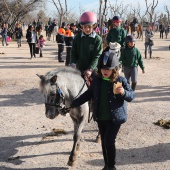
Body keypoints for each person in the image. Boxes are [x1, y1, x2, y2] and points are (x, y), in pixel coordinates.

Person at [70, 53, 135, 170]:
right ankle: (106, 165)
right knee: (104, 142)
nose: (105, 71)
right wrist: (73, 103)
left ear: (114, 69)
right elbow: (88, 94)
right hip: (101, 117)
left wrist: (124, 93)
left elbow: (131, 96)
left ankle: (111, 166)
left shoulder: (121, 80)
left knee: (109, 141)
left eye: (108, 69)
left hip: (115, 118)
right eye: (103, 68)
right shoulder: (96, 80)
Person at [71, 11, 103, 80]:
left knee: (97, 87)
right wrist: (73, 63)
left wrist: (90, 69)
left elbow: (97, 56)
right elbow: (73, 53)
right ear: (81, 26)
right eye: (84, 27)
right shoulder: (77, 38)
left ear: (94, 26)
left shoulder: (97, 39)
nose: (87, 29)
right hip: (79, 69)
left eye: (89, 27)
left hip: (93, 69)